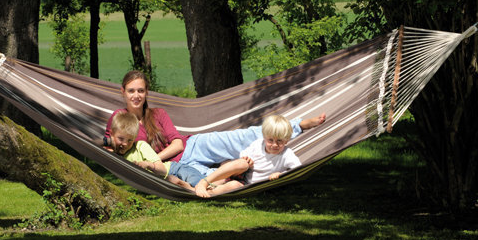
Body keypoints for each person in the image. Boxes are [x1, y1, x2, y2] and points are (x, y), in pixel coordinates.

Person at [105, 70, 327, 183]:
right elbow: (110, 145)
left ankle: (298, 125)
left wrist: (154, 161)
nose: (136, 95)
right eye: (131, 91)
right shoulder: (119, 118)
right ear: (122, 92)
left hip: (191, 147)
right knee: (216, 178)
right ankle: (253, 177)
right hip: (176, 168)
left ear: (146, 93)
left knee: (243, 137)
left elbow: (176, 143)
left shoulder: (157, 114)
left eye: (140, 91)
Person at [194, 114, 304, 198]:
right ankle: (204, 182)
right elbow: (244, 154)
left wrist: (281, 174)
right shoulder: (258, 144)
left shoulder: (286, 154)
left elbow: (298, 169)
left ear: (286, 140)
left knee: (233, 186)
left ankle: (207, 193)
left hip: (248, 186)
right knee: (241, 163)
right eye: (270, 140)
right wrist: (247, 159)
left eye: (279, 141)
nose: (275, 145)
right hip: (241, 174)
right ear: (265, 137)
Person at [105, 111, 199, 190]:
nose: (125, 144)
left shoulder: (140, 146)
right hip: (161, 180)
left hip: (171, 169)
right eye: (121, 139)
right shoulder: (113, 154)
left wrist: (148, 164)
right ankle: (187, 187)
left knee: (198, 181)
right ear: (112, 134)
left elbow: (162, 170)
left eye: (130, 140)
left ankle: (202, 188)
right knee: (178, 183)